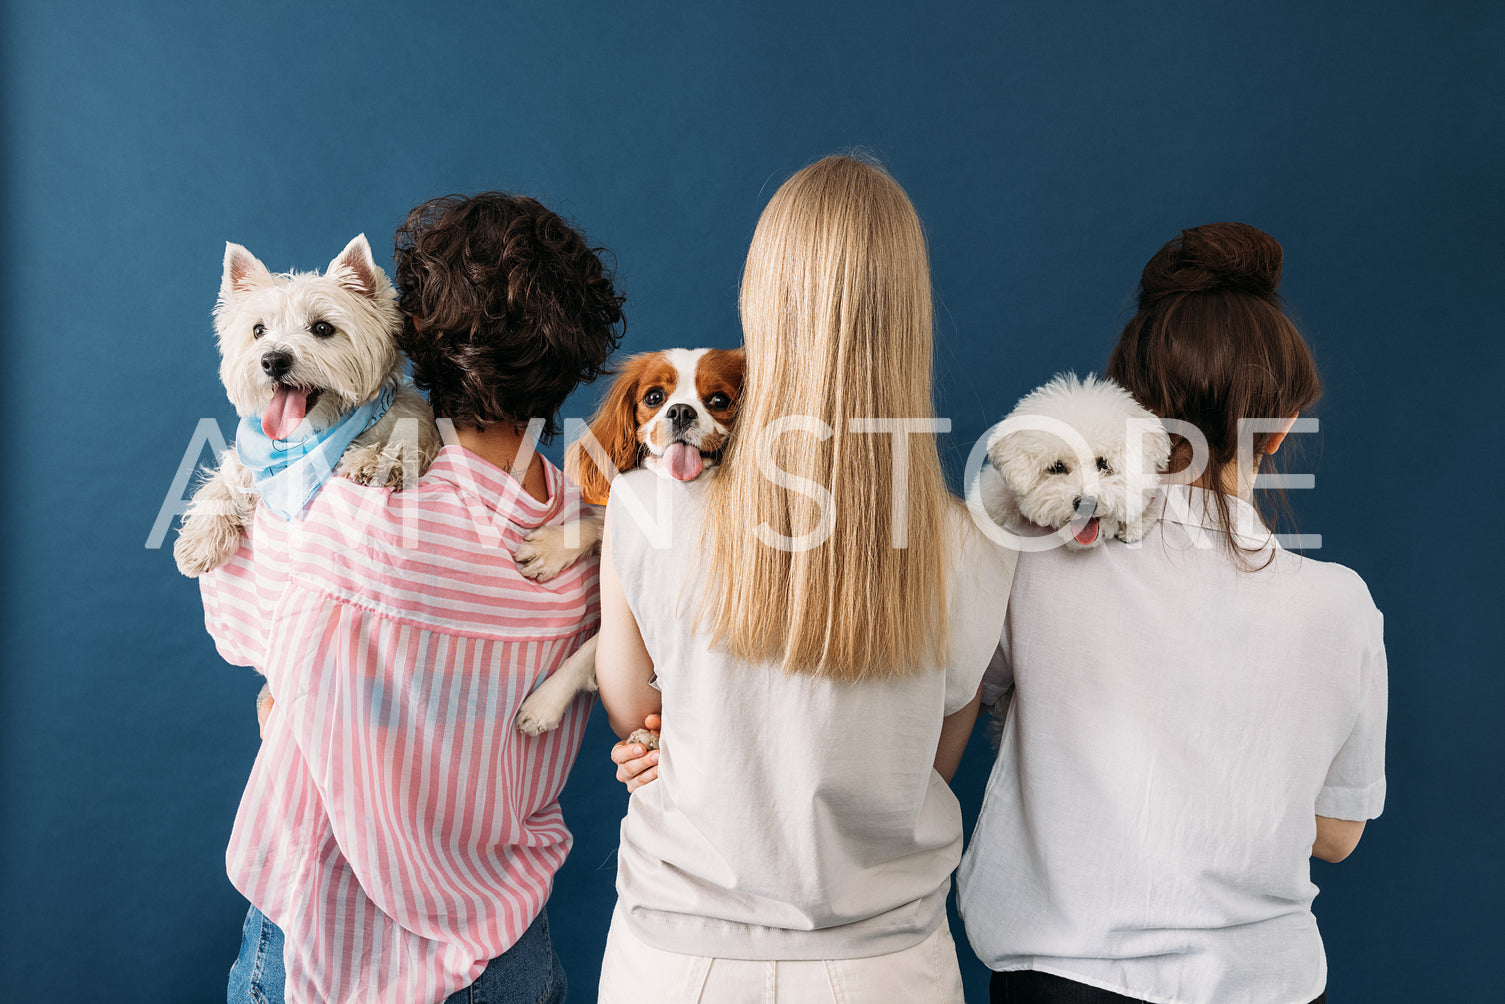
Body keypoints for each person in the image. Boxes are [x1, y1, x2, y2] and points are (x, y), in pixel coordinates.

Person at [593, 155, 1016, 1002]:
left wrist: (677, 744)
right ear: (909, 319)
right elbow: (938, 746)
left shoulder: (643, 505)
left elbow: (630, 703)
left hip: (678, 959)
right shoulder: (971, 543)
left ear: (760, 301)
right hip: (885, 966)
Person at [201, 192, 625, 1004]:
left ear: (407, 334)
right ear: (580, 356)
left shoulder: (346, 510)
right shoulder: (596, 538)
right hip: (502, 940)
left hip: (327, 934)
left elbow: (238, 628)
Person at [956, 222, 1387, 1004]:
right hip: (1270, 982)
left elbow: (938, 710)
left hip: (1064, 978)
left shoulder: (1028, 552)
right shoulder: (1342, 606)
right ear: (1281, 423)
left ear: (1132, 412)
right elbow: (1335, 837)